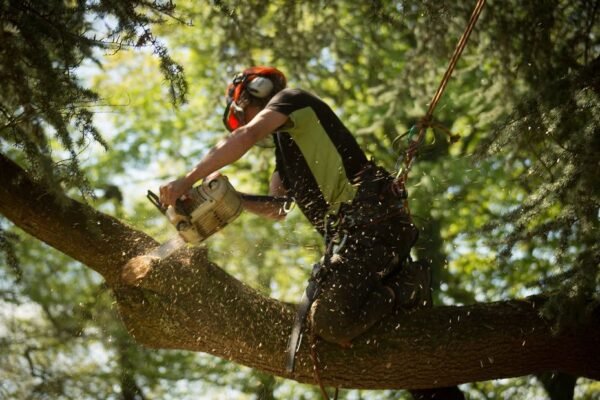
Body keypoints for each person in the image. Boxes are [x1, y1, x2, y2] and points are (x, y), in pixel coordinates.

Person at [159, 66, 464, 399]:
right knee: (419, 370)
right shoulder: (284, 153)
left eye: (243, 111)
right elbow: (277, 208)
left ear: (256, 92)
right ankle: (416, 335)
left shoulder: (292, 101)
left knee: (331, 321)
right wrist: (230, 198)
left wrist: (188, 180)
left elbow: (243, 137)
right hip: (356, 240)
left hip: (370, 221)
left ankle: (405, 287)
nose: (245, 120)